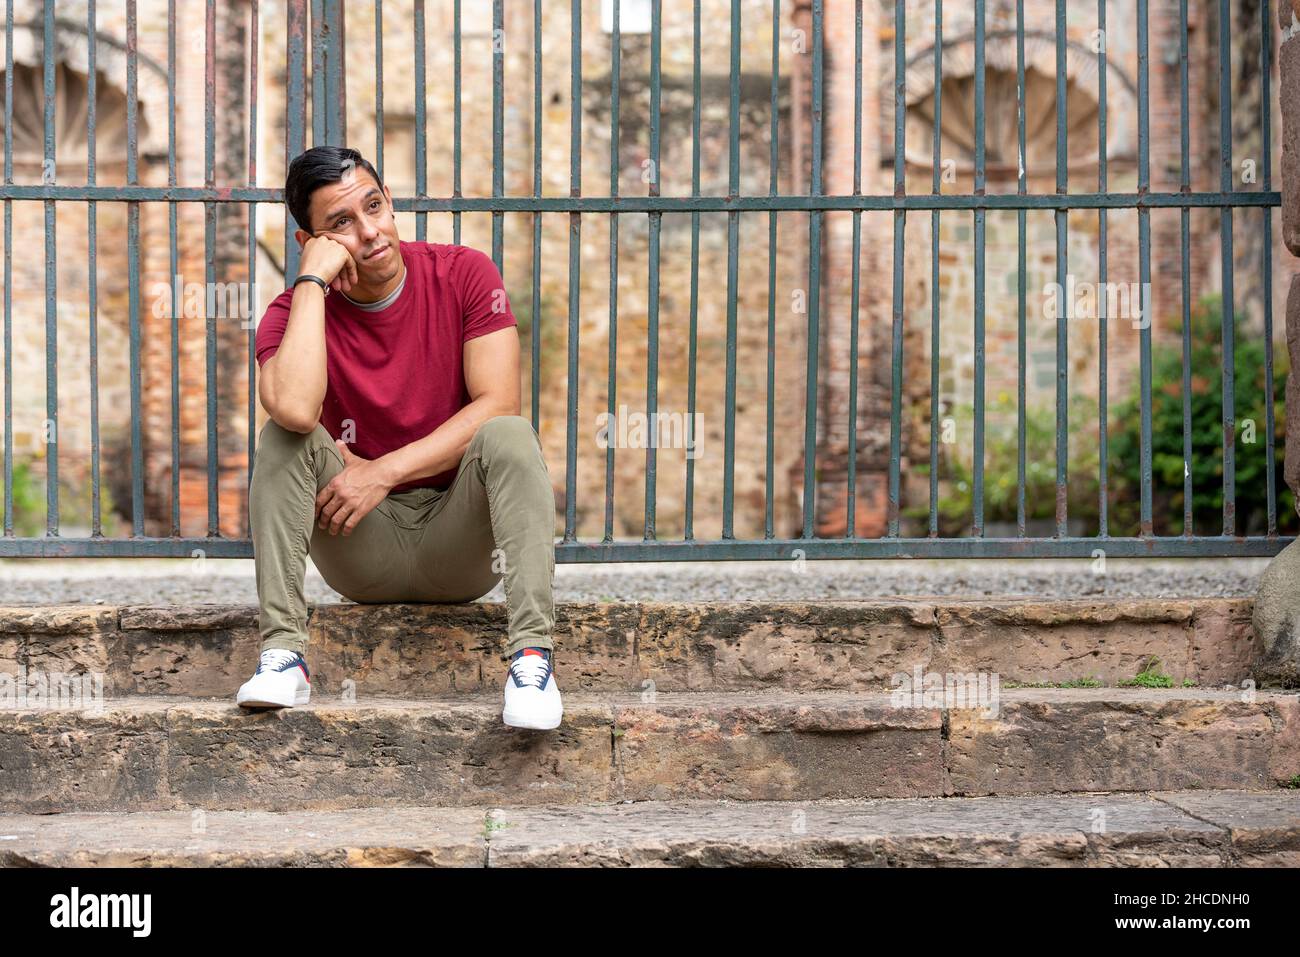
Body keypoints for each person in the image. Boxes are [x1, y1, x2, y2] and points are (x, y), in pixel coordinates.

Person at [237, 145, 561, 730]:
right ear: (309, 240)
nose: (370, 232)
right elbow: (291, 407)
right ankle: (283, 656)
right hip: (362, 545)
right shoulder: (291, 313)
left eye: (375, 207)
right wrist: (312, 281)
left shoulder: (463, 273)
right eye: (341, 224)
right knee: (284, 436)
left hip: (461, 543)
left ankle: (532, 663)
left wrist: (380, 471)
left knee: (509, 432)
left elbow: (498, 402)